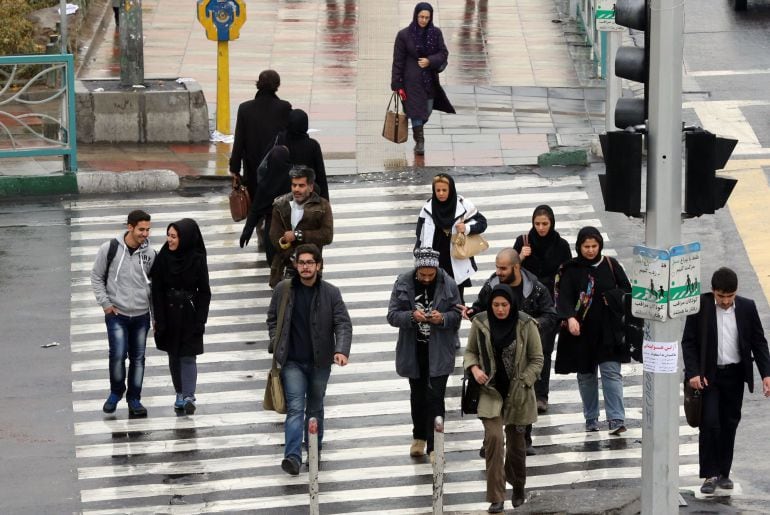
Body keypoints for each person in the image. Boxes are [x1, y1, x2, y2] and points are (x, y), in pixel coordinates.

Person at [681, 267, 770, 494]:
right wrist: (693, 373)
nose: (726, 301)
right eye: (721, 296)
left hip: (735, 374)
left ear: (735, 292)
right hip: (708, 377)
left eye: (730, 296)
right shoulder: (700, 306)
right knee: (710, 422)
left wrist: (766, 374)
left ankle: (723, 473)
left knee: (729, 423)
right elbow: (688, 342)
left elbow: (759, 342)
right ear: (713, 292)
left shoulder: (747, 307)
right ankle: (709, 475)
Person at [267, 243, 352, 475]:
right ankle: (292, 457)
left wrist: (341, 350)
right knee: (296, 407)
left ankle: (314, 451)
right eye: (301, 262)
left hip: (320, 362)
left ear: (318, 265)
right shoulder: (283, 290)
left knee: (315, 407)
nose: (305, 267)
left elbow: (342, 323)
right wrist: (276, 341)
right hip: (291, 362)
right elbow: (272, 318)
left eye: (309, 263)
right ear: (295, 264)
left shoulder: (331, 292)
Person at [463, 248, 557, 456]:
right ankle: (491, 440)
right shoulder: (492, 285)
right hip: (494, 350)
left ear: (516, 267)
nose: (499, 272)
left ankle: (524, 438)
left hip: (522, 352)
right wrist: (471, 312)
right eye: (497, 267)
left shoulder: (536, 289)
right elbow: (479, 308)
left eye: (503, 268)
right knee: (493, 394)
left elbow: (551, 314)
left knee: (522, 394)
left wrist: (534, 326)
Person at [464, 284, 543, 513]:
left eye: (504, 305)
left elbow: (537, 359)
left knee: (517, 448)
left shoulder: (526, 324)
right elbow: (470, 352)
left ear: (512, 305)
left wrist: (525, 380)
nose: (500, 309)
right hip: (490, 392)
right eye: (496, 305)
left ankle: (518, 486)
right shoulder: (480, 323)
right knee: (494, 440)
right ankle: (496, 496)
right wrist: (475, 368)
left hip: (519, 394)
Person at [387, 248, 462, 461]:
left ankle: (434, 444)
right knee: (418, 396)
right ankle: (419, 436)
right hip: (414, 349)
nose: (427, 279)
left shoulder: (448, 284)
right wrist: (412, 316)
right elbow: (392, 315)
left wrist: (443, 319)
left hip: (439, 349)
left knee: (436, 397)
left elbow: (458, 315)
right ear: (416, 270)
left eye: (431, 275)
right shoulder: (403, 283)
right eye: (423, 275)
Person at [554, 226, 630, 434]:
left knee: (611, 374)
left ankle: (616, 419)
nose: (590, 250)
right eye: (586, 246)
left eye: (594, 246)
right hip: (581, 334)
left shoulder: (611, 265)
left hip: (608, 332)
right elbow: (563, 297)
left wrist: (612, 297)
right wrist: (570, 318)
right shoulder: (570, 269)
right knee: (586, 376)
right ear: (579, 246)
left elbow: (627, 290)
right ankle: (591, 418)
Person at [90, 210, 156, 418]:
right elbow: (96, 277)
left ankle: (134, 399)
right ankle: (116, 392)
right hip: (116, 314)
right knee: (117, 355)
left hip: (141, 315)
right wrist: (106, 304)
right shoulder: (109, 249)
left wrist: (155, 316)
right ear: (130, 227)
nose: (145, 234)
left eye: (148, 230)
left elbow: (155, 286)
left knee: (138, 359)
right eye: (141, 229)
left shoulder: (151, 254)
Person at [512, 205, 572, 412]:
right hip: (525, 303)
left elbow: (567, 277)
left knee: (544, 351)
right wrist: (520, 256)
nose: (541, 228)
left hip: (549, 305)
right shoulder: (523, 242)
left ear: (552, 223)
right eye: (537, 224)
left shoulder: (561, 245)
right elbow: (510, 271)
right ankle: (522, 390)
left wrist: (565, 309)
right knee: (522, 349)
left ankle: (541, 395)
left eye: (545, 224)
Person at [151, 219, 211, 415]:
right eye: (168, 235)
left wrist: (201, 319)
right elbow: (157, 289)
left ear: (184, 238)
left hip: (189, 313)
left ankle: (188, 396)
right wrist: (159, 319)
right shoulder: (163, 258)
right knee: (173, 355)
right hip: (168, 313)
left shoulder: (197, 258)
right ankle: (179, 392)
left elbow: (204, 291)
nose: (170, 240)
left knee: (188, 356)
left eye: (174, 236)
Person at [391, 2, 455, 155]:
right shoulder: (404, 35)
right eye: (421, 16)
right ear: (416, 16)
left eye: (427, 17)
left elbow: (443, 53)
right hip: (410, 82)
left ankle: (416, 125)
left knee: (426, 111)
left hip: (429, 81)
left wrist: (430, 61)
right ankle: (420, 141)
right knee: (416, 111)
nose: (423, 20)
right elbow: (398, 61)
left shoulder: (435, 33)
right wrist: (396, 83)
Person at [415, 173, 487, 303]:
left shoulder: (464, 205)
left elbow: (482, 223)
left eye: (444, 190)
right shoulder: (427, 209)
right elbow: (419, 235)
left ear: (451, 190)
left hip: (456, 259)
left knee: (457, 301)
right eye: (438, 190)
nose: (441, 193)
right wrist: (418, 257)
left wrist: (466, 228)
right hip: (434, 261)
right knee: (434, 301)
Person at [229, 69, 292, 200]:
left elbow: (239, 140)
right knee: (275, 208)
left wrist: (235, 168)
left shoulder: (245, 108)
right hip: (276, 167)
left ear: (258, 84)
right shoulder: (284, 107)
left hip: (252, 168)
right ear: (277, 85)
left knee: (255, 208)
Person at [268, 166, 334, 288]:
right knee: (284, 304)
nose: (296, 189)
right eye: (294, 185)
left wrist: (298, 235)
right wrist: (293, 257)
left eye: (301, 185)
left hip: (311, 267)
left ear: (310, 187)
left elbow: (327, 235)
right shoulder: (280, 205)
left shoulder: (322, 206)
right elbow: (274, 236)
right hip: (285, 267)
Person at [239, 145, 293, 265]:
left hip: (272, 228)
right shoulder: (294, 179)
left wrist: (247, 231)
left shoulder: (266, 183)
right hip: (292, 226)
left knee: (274, 263)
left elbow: (256, 209)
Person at [276, 109, 329, 200]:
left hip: (285, 193)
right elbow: (321, 175)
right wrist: (325, 200)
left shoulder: (281, 142)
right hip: (308, 193)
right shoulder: (312, 145)